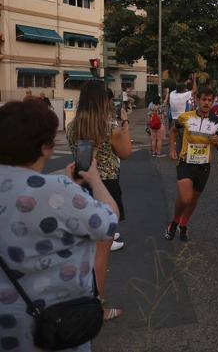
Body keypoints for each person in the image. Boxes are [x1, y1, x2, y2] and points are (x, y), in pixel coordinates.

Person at [0, 100, 121, 349]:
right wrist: (95, 180)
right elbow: (108, 223)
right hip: (55, 326)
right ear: (46, 148)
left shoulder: (57, 189)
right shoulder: (57, 191)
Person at [66, 81, 131, 320]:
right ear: (103, 101)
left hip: (80, 187)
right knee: (100, 254)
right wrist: (125, 123)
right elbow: (126, 153)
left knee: (82, 250)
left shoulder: (73, 126)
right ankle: (97, 308)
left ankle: (77, 300)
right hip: (105, 189)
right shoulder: (109, 128)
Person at [165, 87, 218, 242]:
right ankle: (174, 222)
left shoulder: (217, 122)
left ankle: (183, 225)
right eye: (203, 99)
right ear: (197, 100)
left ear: (213, 102)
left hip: (204, 165)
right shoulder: (185, 117)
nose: (206, 103)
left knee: (193, 199)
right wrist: (172, 149)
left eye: (210, 100)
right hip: (186, 162)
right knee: (185, 198)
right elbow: (173, 131)